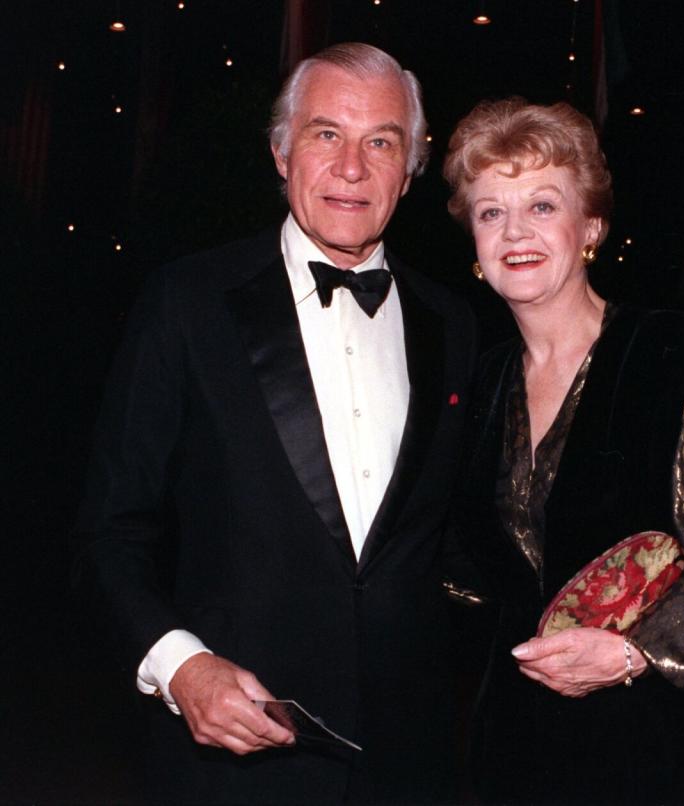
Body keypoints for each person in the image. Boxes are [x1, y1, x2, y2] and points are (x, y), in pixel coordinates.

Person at [73, 43, 474, 804]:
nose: (352, 167)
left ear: (412, 165)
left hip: (407, 767)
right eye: (326, 134)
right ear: (281, 150)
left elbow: (455, 540)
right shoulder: (186, 303)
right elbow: (107, 534)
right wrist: (182, 667)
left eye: (381, 141)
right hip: (230, 768)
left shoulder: (451, 324)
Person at [442, 98, 684, 803]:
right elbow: (460, 569)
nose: (515, 232)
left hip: (660, 753)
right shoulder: (480, 382)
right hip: (512, 753)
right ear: (474, 242)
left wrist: (632, 652)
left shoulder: (679, 357)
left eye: (543, 206)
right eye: (491, 212)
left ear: (592, 228)